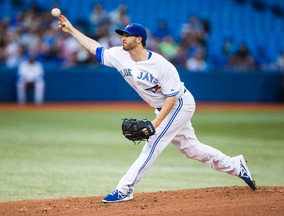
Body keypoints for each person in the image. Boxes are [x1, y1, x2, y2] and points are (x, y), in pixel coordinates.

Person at [56, 14, 256, 203]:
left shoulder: (161, 65)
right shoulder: (119, 55)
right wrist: (72, 30)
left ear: (139, 40)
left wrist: (155, 124)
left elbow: (171, 98)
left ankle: (125, 189)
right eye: (122, 35)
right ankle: (236, 166)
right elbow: (95, 48)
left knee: (153, 142)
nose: (122, 38)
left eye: (127, 35)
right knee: (192, 149)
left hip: (180, 104)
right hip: (163, 107)